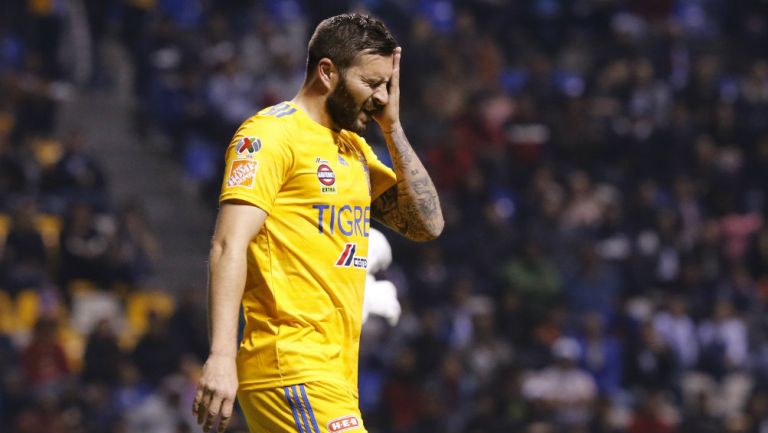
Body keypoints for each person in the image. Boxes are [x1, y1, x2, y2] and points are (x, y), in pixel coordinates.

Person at [192, 13, 444, 433]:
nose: (380, 97)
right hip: (290, 364)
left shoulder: (353, 150)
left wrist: (393, 127)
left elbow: (426, 225)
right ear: (327, 72)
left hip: (335, 375)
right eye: (371, 83)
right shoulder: (270, 136)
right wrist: (221, 354)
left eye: (387, 85)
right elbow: (227, 245)